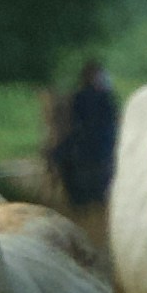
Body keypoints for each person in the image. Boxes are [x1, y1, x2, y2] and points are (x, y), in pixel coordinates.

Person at [50, 55, 123, 216]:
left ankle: (81, 200)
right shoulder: (99, 96)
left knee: (61, 158)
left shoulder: (87, 96)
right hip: (95, 141)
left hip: (94, 141)